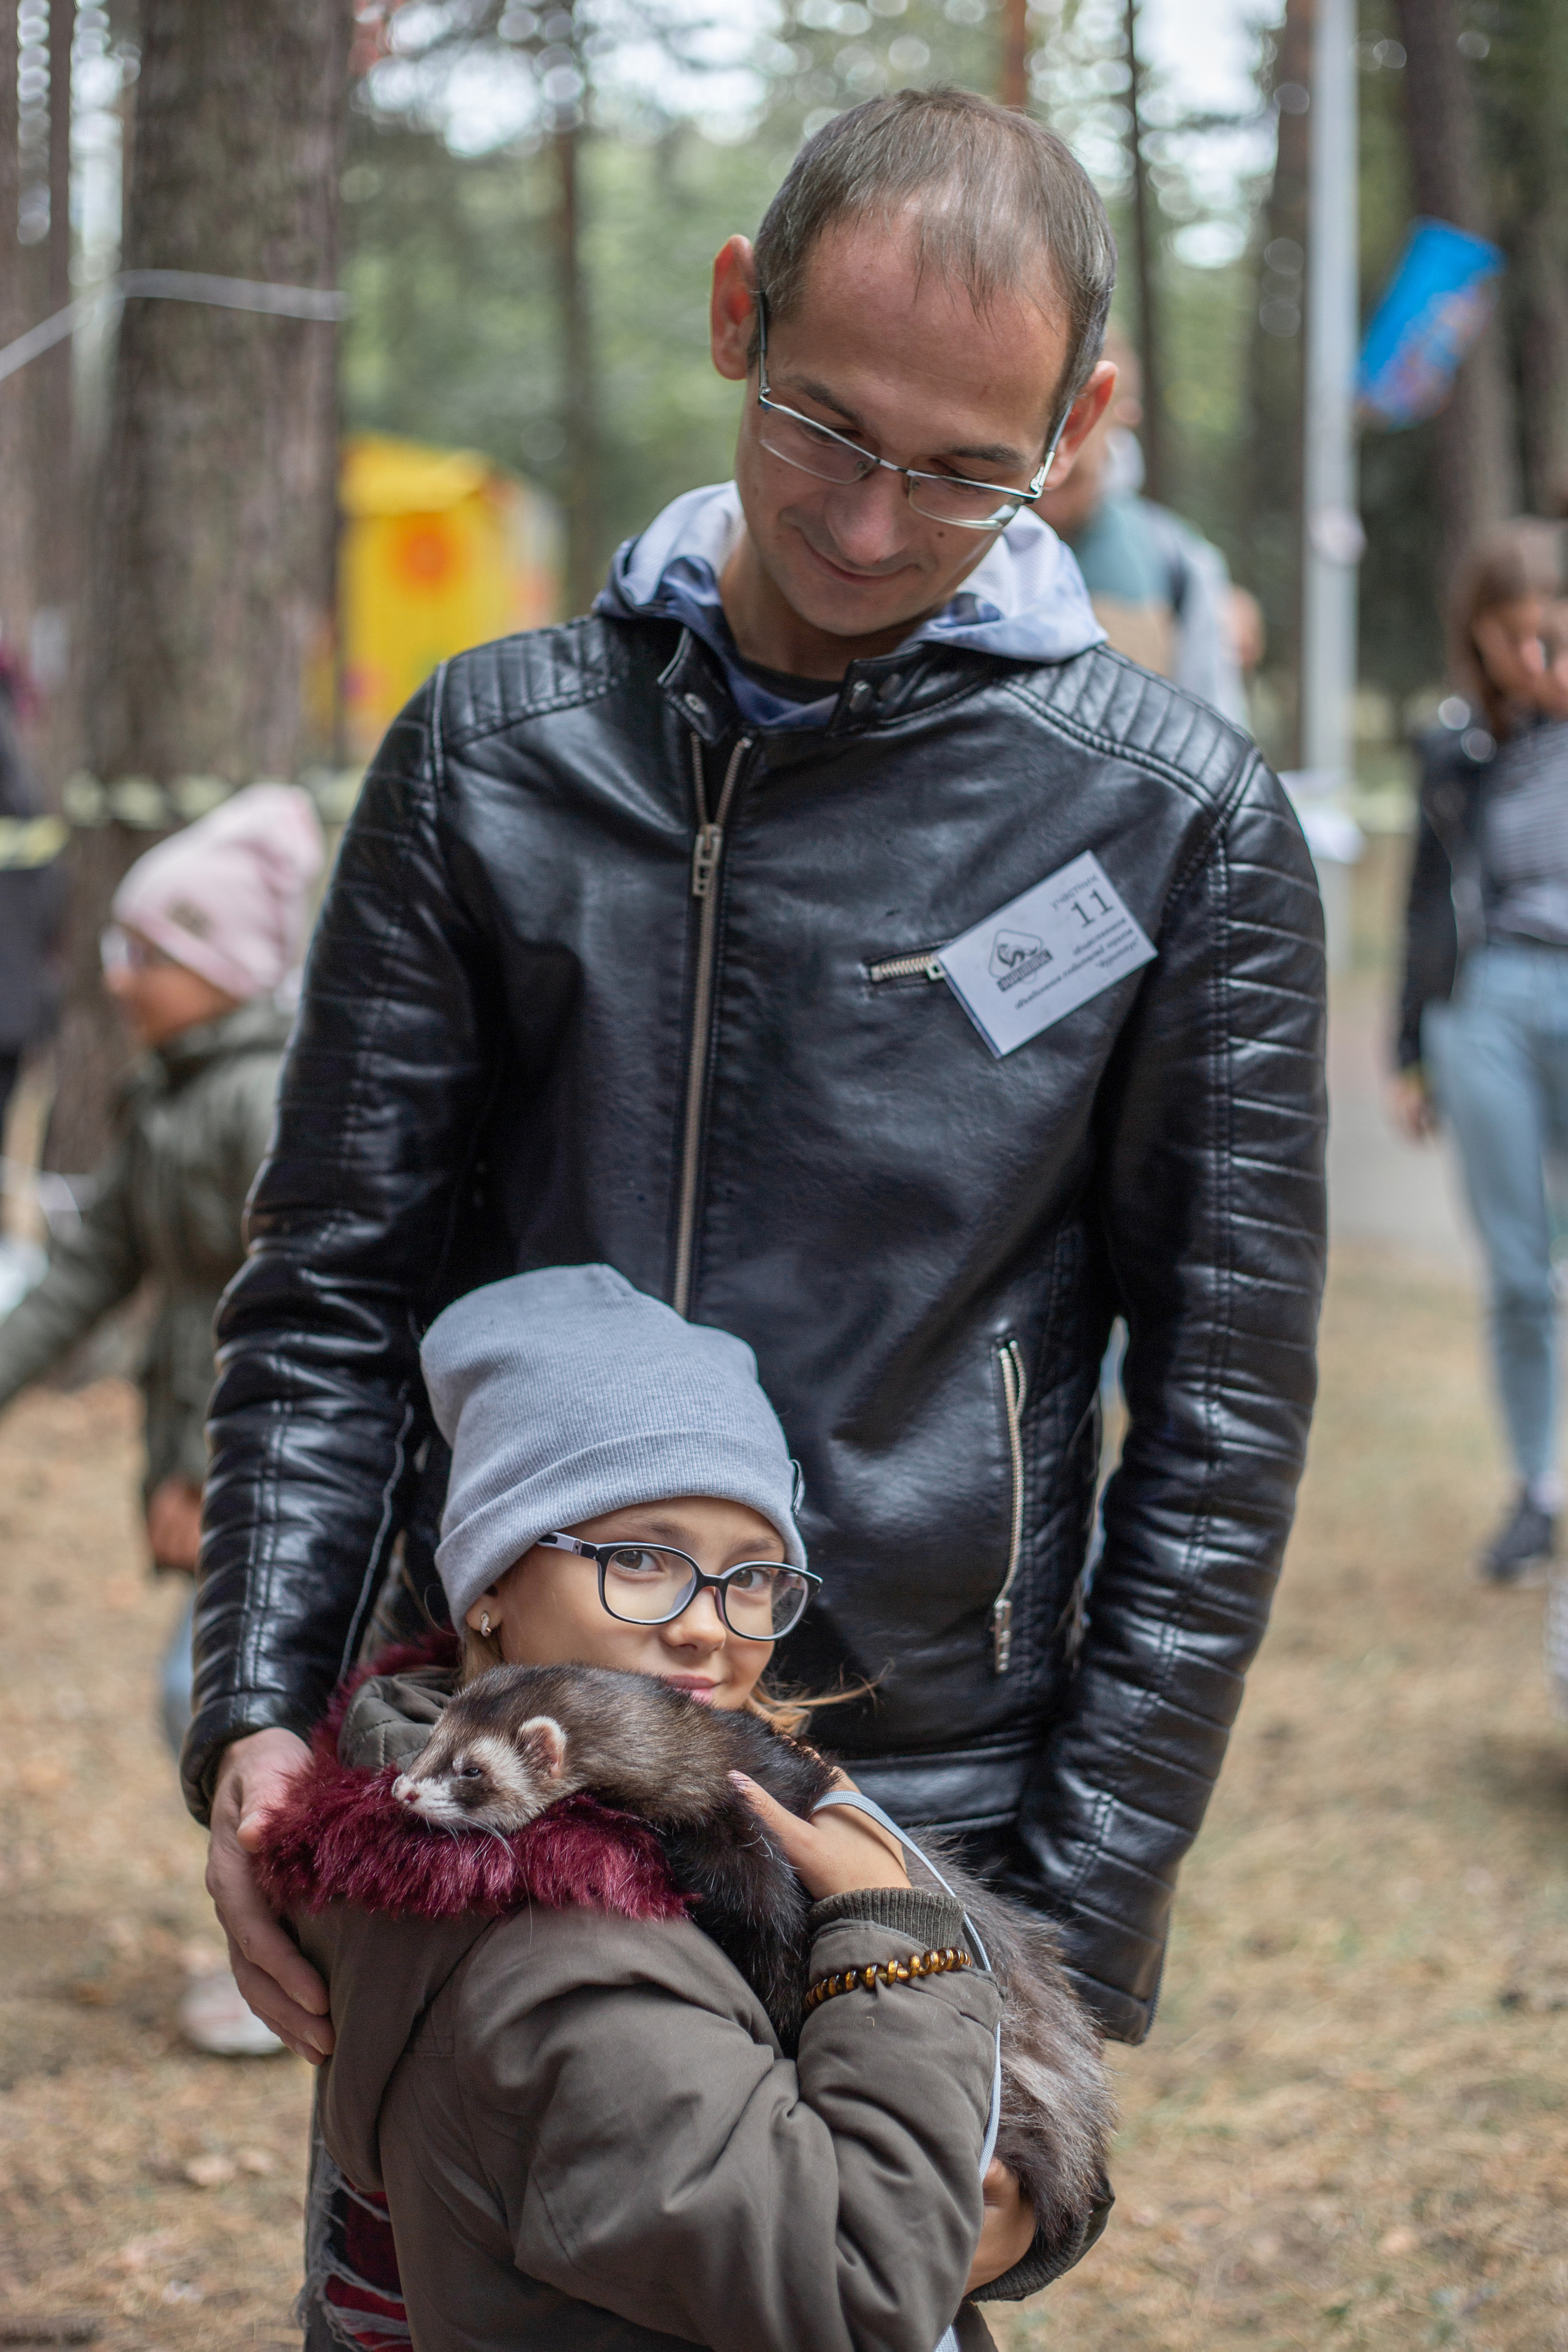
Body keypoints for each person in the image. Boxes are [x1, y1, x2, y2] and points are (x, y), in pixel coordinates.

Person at [192, 86, 1327, 2125]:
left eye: (964, 471)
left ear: (1080, 425)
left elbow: (1223, 1415)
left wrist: (1074, 1926)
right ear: (740, 311)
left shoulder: (1177, 825)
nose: (873, 524)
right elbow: (332, 1284)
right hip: (489, 1760)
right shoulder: (491, 758)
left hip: (917, 1786)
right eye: (824, 426)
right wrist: (262, 1714)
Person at [260, 1264, 1112, 2348]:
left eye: (752, 1576)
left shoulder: (665, 1819)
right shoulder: (564, 1955)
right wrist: (893, 1949)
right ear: (490, 1581)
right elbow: (859, 2280)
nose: (708, 1625)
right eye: (638, 1558)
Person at [0, 782, 323, 2049]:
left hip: (263, 1468)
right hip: (208, 1463)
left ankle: (291, 1950)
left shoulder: (266, 1102)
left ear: (222, 965)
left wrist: (209, 1476)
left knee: (218, 1694)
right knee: (218, 1698)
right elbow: (90, 1271)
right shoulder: (166, 1097)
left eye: (149, 952)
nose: (119, 976)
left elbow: (294, 1318)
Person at [1393, 518, 1568, 1584]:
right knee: (1518, 1269)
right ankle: (1536, 1487)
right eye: (1511, 633)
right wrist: (1408, 1050)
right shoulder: (1453, 746)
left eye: (1547, 627)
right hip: (1486, 1003)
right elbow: (1425, 902)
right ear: (1478, 636)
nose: (1531, 651)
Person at [1035, 328, 1250, 725]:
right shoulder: (962, 534)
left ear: (1117, 412)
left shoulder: (1178, 562)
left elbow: (1212, 728)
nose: (1044, 488)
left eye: (1070, 479)